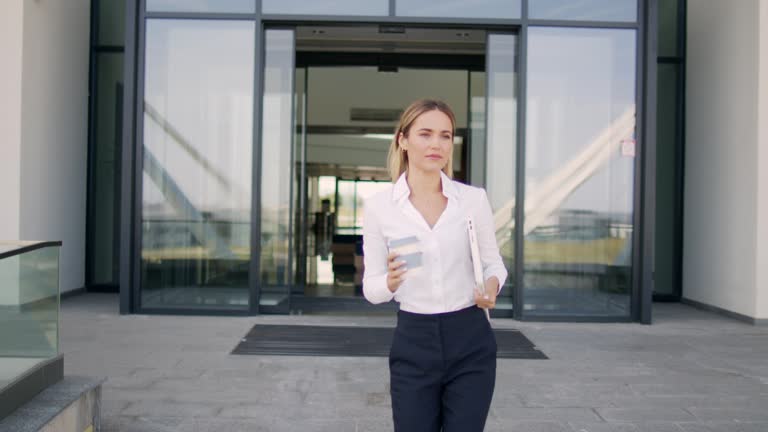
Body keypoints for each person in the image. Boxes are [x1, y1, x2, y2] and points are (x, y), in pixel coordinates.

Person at [362, 99, 507, 432]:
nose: (436, 144)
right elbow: (372, 289)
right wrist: (392, 282)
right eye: (425, 134)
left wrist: (491, 286)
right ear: (403, 140)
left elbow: (493, 263)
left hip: (470, 336)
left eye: (445, 136)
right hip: (414, 339)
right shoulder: (380, 207)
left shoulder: (473, 200)